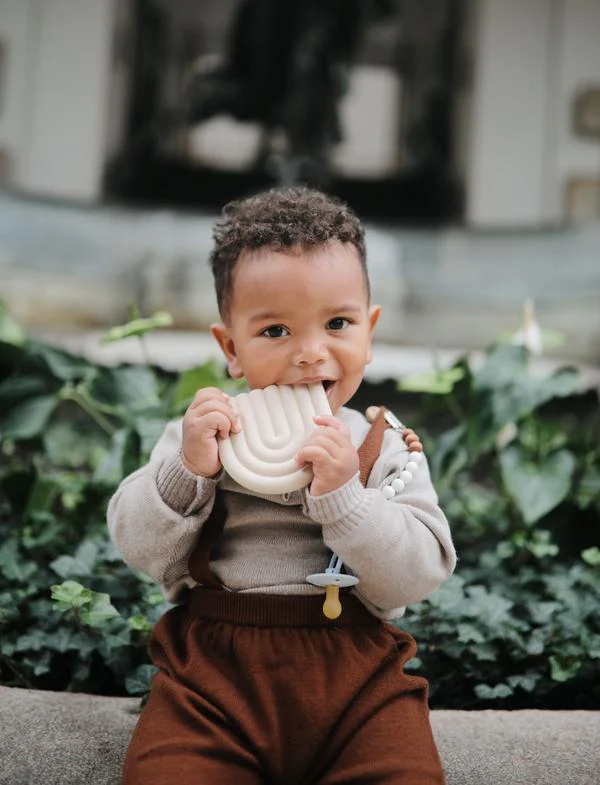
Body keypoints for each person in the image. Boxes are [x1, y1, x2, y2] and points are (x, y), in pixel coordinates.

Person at [108, 186, 456, 784]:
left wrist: (348, 496)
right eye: (275, 331)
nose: (310, 353)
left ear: (369, 333)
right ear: (231, 348)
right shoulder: (201, 437)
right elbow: (137, 547)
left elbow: (419, 573)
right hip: (213, 679)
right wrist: (190, 472)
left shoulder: (383, 445)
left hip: (357, 681)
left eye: (338, 323)